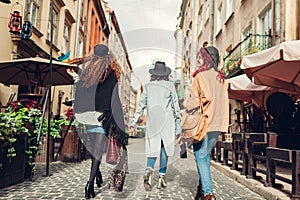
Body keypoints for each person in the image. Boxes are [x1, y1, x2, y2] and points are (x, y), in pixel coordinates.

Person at [67, 44, 128, 199]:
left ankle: (97, 173)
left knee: (94, 148)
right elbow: (112, 96)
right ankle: (90, 183)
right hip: (101, 116)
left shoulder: (87, 70)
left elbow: (80, 88)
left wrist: (75, 77)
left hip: (86, 115)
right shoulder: (111, 72)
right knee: (98, 149)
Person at [129, 61, 181, 191]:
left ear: (154, 74)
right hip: (167, 122)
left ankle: (149, 169)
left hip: (153, 123)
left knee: (153, 148)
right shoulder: (170, 86)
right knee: (164, 150)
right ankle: (161, 178)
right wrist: (178, 126)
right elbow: (176, 109)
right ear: (165, 74)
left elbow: (140, 107)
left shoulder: (148, 87)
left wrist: (133, 122)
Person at [191, 46, 229, 200]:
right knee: (205, 156)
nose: (199, 60)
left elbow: (193, 103)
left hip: (204, 122)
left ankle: (208, 193)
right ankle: (201, 190)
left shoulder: (200, 76)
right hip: (218, 124)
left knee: (200, 156)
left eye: (201, 57)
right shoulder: (221, 78)